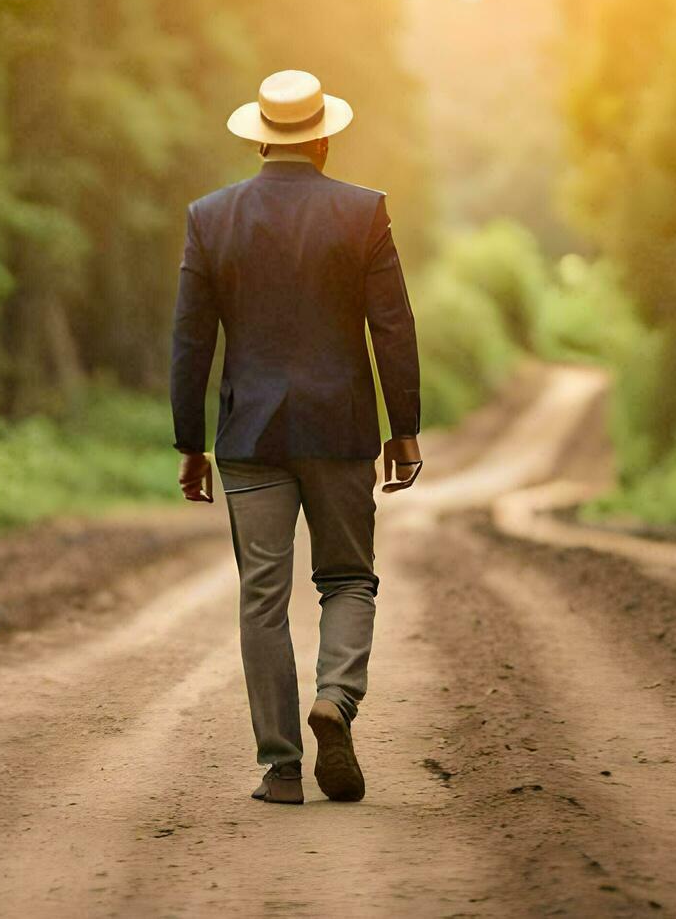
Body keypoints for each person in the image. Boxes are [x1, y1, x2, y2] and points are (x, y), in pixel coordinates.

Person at [169, 70, 422, 805]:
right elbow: (394, 328)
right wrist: (402, 430)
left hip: (249, 434)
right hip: (340, 430)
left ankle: (281, 768)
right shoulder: (363, 212)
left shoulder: (209, 217)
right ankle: (334, 701)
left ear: (257, 137)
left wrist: (191, 442)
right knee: (347, 579)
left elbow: (191, 340)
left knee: (262, 598)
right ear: (323, 135)